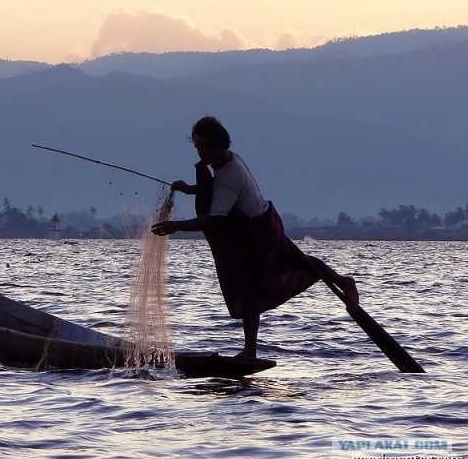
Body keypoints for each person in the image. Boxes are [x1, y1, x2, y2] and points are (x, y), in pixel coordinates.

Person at [151, 116, 359, 361]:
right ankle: (342, 282)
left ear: (218, 146)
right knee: (293, 263)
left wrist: (176, 226)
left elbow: (215, 217)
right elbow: (220, 190)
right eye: (196, 146)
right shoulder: (230, 159)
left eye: (203, 146)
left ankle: (250, 351)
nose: (199, 151)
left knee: (254, 287)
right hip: (263, 223)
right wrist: (191, 189)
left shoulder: (230, 175)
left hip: (257, 234)